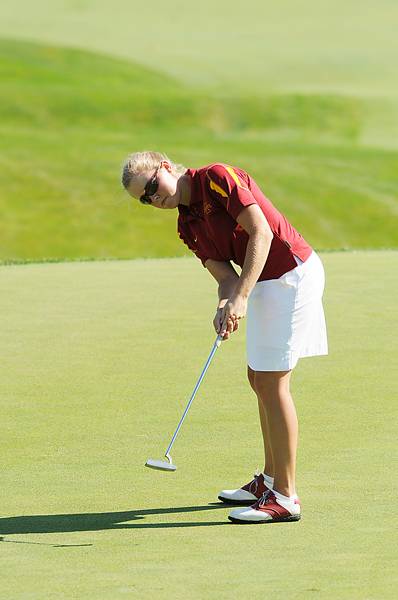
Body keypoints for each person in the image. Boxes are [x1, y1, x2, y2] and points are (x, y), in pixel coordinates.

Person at [121, 151, 328, 524]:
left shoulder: (216, 178)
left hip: (290, 275)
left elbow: (261, 231)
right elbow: (227, 279)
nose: (154, 198)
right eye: (145, 199)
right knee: (258, 379)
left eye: (152, 186)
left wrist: (242, 298)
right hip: (264, 283)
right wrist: (226, 303)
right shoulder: (187, 226)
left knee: (272, 382)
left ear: (166, 166)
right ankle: (268, 481)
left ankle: (285, 495)